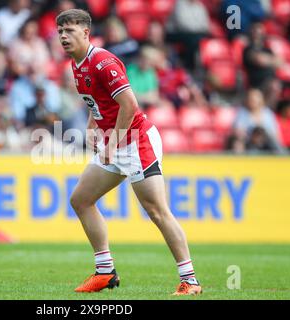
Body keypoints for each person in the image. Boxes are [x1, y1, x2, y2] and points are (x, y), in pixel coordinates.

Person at [56, 9, 202, 295]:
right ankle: (105, 272)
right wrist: (91, 126)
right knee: (81, 200)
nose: (63, 36)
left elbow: (130, 105)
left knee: (157, 211)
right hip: (116, 142)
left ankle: (190, 280)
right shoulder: (77, 64)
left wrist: (111, 143)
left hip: (136, 142)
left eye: (69, 30)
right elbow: (97, 102)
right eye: (60, 31)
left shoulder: (103, 61)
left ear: (85, 33)